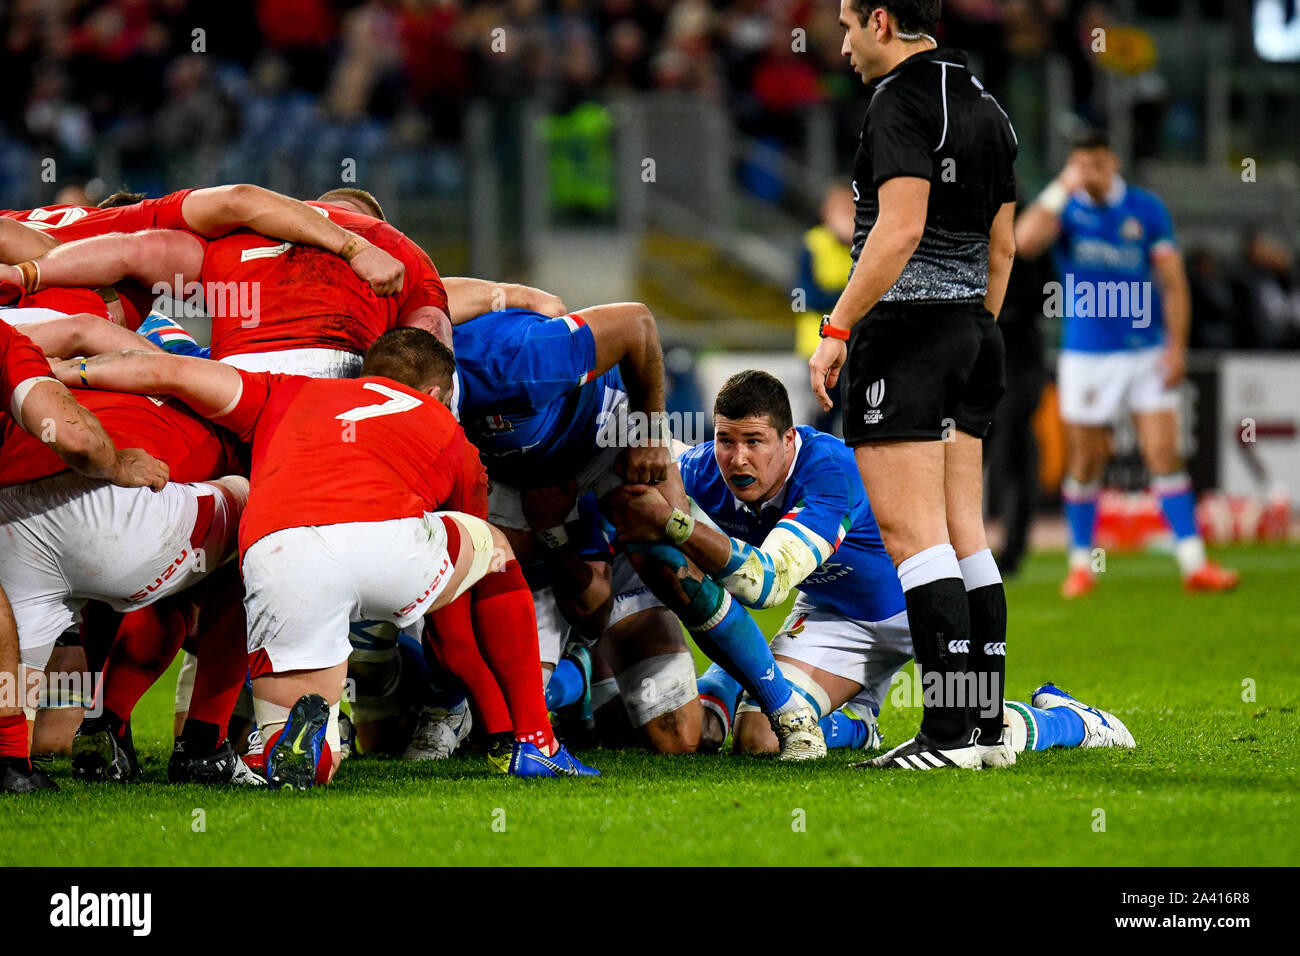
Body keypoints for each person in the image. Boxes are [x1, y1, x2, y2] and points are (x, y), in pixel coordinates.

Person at [53, 330, 598, 786]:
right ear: (435, 391)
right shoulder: (449, 433)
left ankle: (277, 750)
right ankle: (536, 742)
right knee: (494, 551)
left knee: (297, 736)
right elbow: (453, 630)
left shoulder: (287, 392)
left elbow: (165, 371)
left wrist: (58, 372)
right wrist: (498, 728)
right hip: (387, 545)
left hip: (279, 552)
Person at [807, 0, 1019, 770]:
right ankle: (984, 725)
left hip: (908, 336)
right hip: (974, 331)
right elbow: (1002, 247)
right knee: (968, 536)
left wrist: (837, 330)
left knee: (912, 536)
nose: (842, 44)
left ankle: (947, 735)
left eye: (846, 26)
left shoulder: (899, 101)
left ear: (883, 21)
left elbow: (898, 228)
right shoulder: (989, 106)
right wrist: (976, 332)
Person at [1014, 130, 1239, 597]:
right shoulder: (1067, 210)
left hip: (1145, 352)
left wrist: (1176, 347)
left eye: (1093, 164)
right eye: (1078, 164)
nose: (1087, 174)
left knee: (1163, 452)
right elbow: (1023, 241)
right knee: (1088, 458)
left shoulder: (1145, 209)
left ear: (1112, 161)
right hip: (1088, 355)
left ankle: (1194, 563)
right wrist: (1062, 186)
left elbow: (1174, 284)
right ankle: (1081, 564)